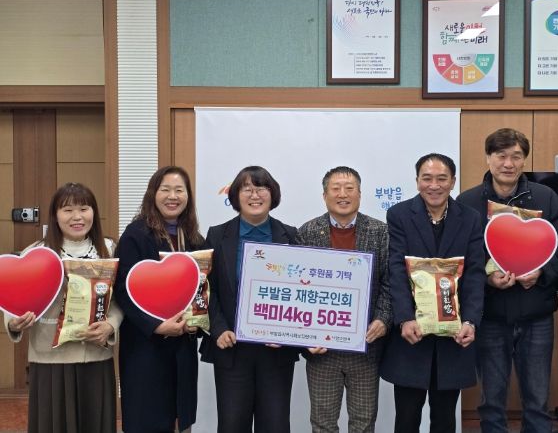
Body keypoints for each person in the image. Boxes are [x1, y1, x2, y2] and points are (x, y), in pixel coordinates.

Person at [456, 128, 558, 432]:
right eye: (501, 156)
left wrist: (542, 272)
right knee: (491, 399)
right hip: (490, 315)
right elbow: (458, 255)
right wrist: (487, 279)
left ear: (524, 160)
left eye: (516, 156)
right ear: (488, 158)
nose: (508, 163)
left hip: (536, 313)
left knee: (537, 399)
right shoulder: (467, 202)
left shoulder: (546, 197)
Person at [380, 153, 485, 433]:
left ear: (453, 181)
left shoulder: (470, 218)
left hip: (453, 334)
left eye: (442, 179)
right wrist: (404, 318)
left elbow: (475, 274)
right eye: (427, 178)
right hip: (412, 333)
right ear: (417, 181)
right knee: (406, 418)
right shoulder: (400, 215)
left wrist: (470, 321)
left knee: (445, 419)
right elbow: (396, 270)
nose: (434, 186)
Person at [3, 182, 120, 433]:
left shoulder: (109, 250)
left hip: (95, 356)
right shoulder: (38, 252)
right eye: (67, 210)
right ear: (55, 216)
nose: (77, 216)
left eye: (84, 208)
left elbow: (119, 301)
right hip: (50, 359)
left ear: (94, 212)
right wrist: (13, 322)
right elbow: (16, 296)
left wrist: (111, 325)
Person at [199, 166, 299, 433]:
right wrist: (218, 329)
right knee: (232, 424)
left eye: (261, 188)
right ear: (235, 196)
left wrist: (287, 331)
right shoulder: (217, 235)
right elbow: (207, 288)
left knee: (275, 425)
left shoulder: (290, 235)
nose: (255, 195)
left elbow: (300, 291)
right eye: (247, 189)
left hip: (276, 351)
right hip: (232, 347)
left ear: (272, 194)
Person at [296, 166, 392, 433]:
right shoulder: (307, 232)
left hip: (365, 346)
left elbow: (390, 282)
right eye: (335, 188)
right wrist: (305, 335)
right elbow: (297, 288)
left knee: (363, 423)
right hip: (322, 350)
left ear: (359, 194)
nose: (343, 194)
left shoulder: (380, 231)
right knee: (323, 424)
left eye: (349, 188)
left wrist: (383, 319)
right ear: (324, 195)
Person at [114, 166, 205, 433]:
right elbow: (122, 290)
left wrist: (196, 322)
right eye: (165, 189)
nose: (172, 196)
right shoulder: (135, 235)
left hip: (183, 344)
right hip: (145, 346)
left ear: (188, 196)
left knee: (180, 416)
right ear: (153, 194)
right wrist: (156, 326)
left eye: (179, 190)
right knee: (147, 417)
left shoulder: (194, 239)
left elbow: (204, 289)